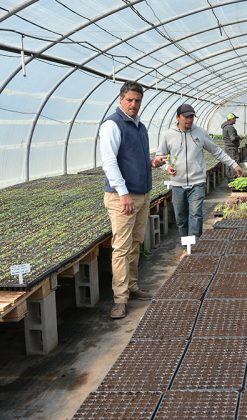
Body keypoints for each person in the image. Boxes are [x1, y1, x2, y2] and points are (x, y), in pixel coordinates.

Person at [100, 81, 167, 320]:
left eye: (137, 100)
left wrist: (152, 164)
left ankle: (132, 286)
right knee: (121, 247)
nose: (133, 104)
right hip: (123, 198)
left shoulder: (140, 126)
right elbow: (109, 162)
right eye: (129, 100)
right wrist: (123, 192)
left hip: (142, 194)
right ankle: (120, 299)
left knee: (136, 243)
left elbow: (135, 158)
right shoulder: (112, 125)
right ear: (121, 100)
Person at [158, 104, 243, 242]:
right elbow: (160, 157)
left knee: (196, 215)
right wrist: (166, 167)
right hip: (178, 183)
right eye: (186, 117)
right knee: (180, 217)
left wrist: (233, 164)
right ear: (177, 117)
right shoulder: (168, 135)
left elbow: (216, 151)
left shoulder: (200, 133)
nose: (189, 120)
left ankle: (194, 245)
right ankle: (186, 244)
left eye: (191, 117)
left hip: (197, 182)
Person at [221, 112, 243, 181]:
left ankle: (229, 178)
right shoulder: (230, 127)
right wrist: (239, 137)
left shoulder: (226, 127)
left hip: (228, 148)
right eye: (234, 119)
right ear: (231, 119)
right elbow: (233, 138)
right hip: (232, 148)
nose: (235, 120)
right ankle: (233, 178)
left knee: (229, 162)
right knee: (234, 162)